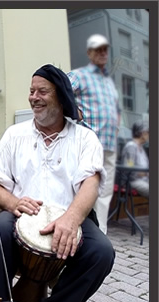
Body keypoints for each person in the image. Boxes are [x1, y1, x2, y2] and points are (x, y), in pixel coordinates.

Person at [0, 64, 115, 302]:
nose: (34, 97)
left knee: (101, 251)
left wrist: (71, 219)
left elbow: (91, 184)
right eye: (31, 91)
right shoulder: (15, 134)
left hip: (68, 215)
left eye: (42, 91)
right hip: (23, 216)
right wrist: (13, 203)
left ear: (61, 97)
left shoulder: (84, 138)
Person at [68, 34, 122, 234]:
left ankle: (101, 235)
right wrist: (74, 112)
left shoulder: (108, 82)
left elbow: (114, 108)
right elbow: (60, 88)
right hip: (91, 141)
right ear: (89, 53)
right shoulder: (80, 75)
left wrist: (117, 124)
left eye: (105, 50)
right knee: (85, 189)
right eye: (98, 49)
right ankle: (79, 230)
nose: (102, 53)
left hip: (109, 143)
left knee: (105, 194)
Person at [121, 121, 149, 198]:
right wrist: (145, 173)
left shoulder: (141, 148)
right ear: (142, 133)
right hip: (133, 182)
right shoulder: (131, 147)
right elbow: (129, 169)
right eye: (148, 132)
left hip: (143, 180)